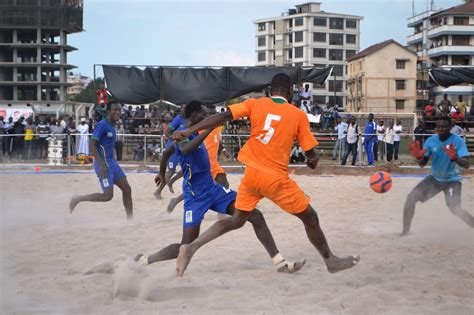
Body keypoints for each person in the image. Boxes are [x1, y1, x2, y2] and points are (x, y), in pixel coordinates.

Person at [172, 73, 359, 276]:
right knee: (310, 217)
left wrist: (189, 131)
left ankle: (191, 247)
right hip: (275, 179)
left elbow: (223, 116)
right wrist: (312, 160)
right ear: (290, 92)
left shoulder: (255, 104)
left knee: (237, 220)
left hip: (251, 175)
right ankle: (330, 261)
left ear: (270, 91)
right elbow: (311, 154)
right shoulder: (297, 114)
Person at [135, 101, 304, 273]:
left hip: (212, 189)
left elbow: (166, 153)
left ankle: (279, 263)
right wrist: (209, 128)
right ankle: (146, 259)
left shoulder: (196, 131)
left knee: (255, 215)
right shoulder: (181, 133)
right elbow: (183, 150)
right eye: (204, 114)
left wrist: (161, 175)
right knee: (185, 245)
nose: (208, 117)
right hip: (195, 197)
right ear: (194, 116)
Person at [402, 117, 472, 235]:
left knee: (455, 209)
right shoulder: (430, 141)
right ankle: (405, 232)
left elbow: (467, 165)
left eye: (444, 127)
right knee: (410, 199)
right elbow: (422, 165)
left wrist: (455, 158)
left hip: (452, 181)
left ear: (451, 127)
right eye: (438, 127)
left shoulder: (458, 141)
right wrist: (418, 157)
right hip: (435, 179)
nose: (441, 129)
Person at [69, 101, 133, 220]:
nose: (118, 112)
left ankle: (130, 220)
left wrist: (112, 159)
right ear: (108, 111)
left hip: (112, 163)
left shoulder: (113, 126)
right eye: (115, 110)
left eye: (119, 110)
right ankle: (77, 198)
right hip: (103, 165)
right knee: (107, 196)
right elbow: (92, 145)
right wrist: (102, 164)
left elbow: (108, 145)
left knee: (127, 189)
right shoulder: (102, 125)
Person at [154, 106, 185, 200]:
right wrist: (175, 139)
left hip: (181, 147)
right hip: (173, 148)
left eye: (186, 108)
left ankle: (171, 182)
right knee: (171, 171)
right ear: (180, 109)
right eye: (183, 108)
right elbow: (167, 133)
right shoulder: (178, 119)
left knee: (186, 168)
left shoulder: (188, 120)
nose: (185, 110)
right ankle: (158, 191)